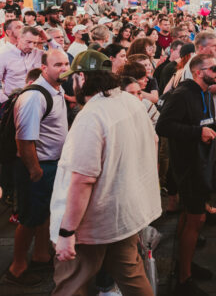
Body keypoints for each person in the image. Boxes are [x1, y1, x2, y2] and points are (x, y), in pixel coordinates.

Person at [50, 50, 161, 295]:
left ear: (81, 78)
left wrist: (67, 232)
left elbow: (82, 180)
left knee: (71, 284)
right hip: (125, 213)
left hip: (92, 223)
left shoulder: (91, 115)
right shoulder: (131, 101)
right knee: (132, 276)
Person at [156, 53, 216, 294]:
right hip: (187, 165)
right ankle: (183, 279)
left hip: (200, 162)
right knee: (197, 219)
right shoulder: (184, 94)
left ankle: (185, 264)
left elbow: (204, 122)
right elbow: (162, 125)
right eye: (213, 68)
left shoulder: (205, 92)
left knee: (190, 216)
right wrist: (198, 133)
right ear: (198, 72)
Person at [4, 50, 69, 286]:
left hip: (51, 165)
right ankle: (17, 268)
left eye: (66, 63)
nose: (64, 68)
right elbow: (24, 140)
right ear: (44, 68)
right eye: (57, 64)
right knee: (29, 218)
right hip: (37, 166)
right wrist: (35, 171)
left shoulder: (57, 90)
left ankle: (41, 255)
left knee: (44, 213)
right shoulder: (34, 96)